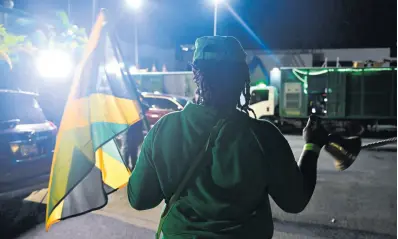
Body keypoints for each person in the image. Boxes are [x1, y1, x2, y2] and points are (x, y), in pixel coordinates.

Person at [127, 36, 328, 238]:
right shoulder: (263, 136)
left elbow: (140, 199)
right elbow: (294, 201)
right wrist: (312, 146)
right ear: (242, 77)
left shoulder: (165, 128)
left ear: (196, 73)